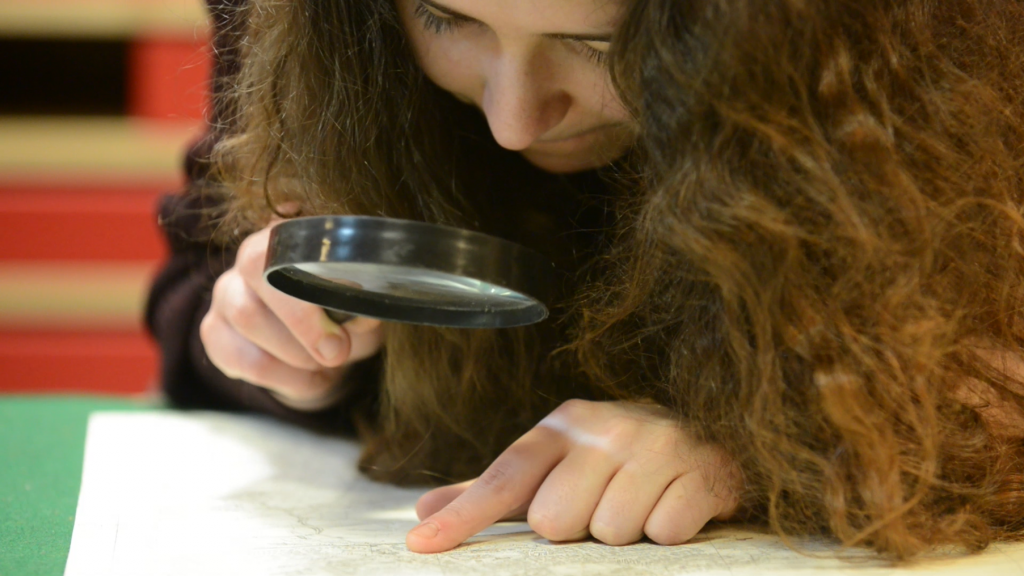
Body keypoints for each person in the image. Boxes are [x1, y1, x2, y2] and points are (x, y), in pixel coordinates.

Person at [146, 0, 1024, 560]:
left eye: (596, 44)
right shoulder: (320, 26)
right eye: (447, 19)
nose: (512, 118)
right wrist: (282, 347)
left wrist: (764, 440)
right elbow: (190, 283)